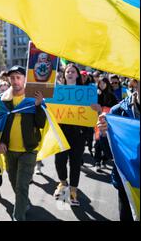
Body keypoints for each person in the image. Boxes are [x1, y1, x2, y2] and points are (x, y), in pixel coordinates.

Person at [0, 65, 45, 221]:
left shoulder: (33, 98)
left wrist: (38, 106)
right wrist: (2, 141)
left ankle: (18, 217)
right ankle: (24, 203)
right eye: (12, 78)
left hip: (28, 150)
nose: (15, 81)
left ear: (25, 79)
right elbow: (1, 123)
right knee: (13, 181)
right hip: (9, 150)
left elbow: (41, 123)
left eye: (18, 77)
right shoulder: (4, 99)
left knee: (22, 185)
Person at [97, 79, 139, 221]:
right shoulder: (118, 111)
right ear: (135, 81)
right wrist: (104, 134)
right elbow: (110, 154)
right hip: (128, 181)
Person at [53, 63, 85, 206]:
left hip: (78, 134)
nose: (70, 73)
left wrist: (95, 109)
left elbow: (92, 113)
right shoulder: (58, 92)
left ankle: (73, 191)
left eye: (73, 71)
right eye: (68, 71)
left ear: (77, 75)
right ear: (64, 75)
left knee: (75, 163)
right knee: (59, 161)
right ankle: (63, 182)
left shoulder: (85, 92)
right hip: (61, 133)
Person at [91, 77, 119, 172]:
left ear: (107, 83)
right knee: (98, 142)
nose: (101, 85)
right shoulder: (95, 94)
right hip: (97, 121)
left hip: (108, 122)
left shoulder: (112, 95)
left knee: (108, 142)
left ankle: (104, 159)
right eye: (100, 83)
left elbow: (116, 109)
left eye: (103, 83)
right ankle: (97, 162)